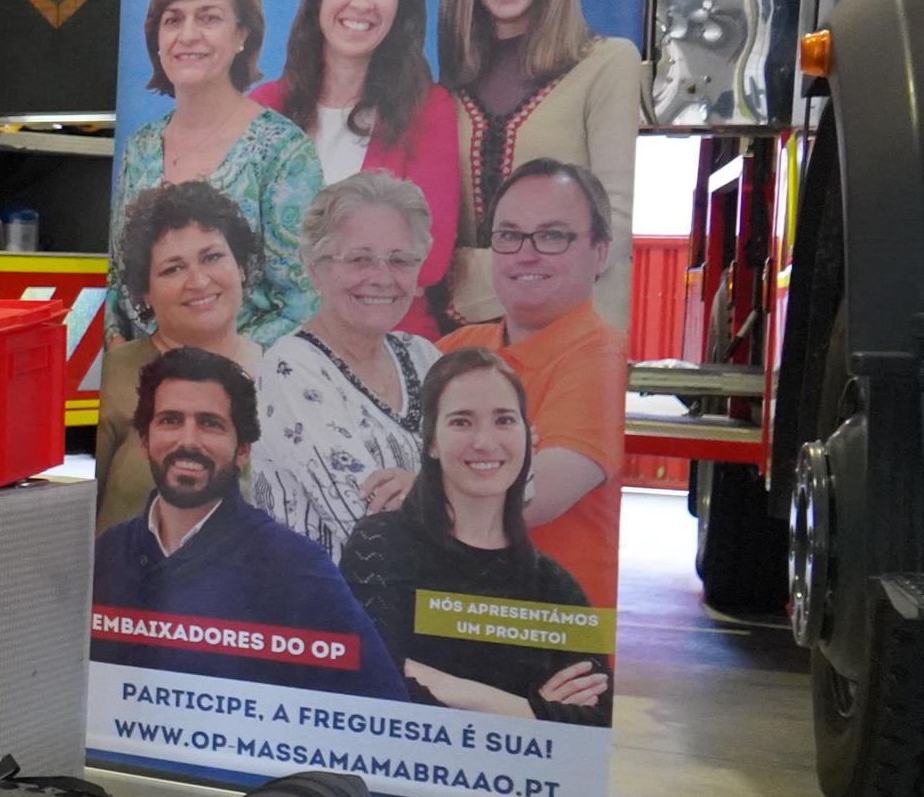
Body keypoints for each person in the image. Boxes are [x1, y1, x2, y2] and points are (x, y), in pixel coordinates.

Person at [91, 347, 408, 700]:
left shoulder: (296, 566)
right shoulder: (108, 551)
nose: (188, 440)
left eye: (210, 424)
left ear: (243, 450)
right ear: (146, 442)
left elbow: (381, 703)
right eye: (170, 420)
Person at [341, 349, 611, 724]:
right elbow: (370, 676)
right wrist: (532, 710)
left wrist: (442, 684)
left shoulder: (555, 587)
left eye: (503, 420)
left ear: (525, 435)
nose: (485, 441)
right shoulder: (380, 543)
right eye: (461, 422)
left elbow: (595, 721)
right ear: (431, 442)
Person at [414, 159, 625, 606]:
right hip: (451, 620)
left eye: (552, 235)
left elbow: (528, 499)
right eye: (509, 235)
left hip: (548, 638)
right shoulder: (453, 350)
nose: (526, 254)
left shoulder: (602, 360)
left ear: (601, 251)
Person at [437, 0, 640, 327]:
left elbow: (610, 237)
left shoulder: (609, 65)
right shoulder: (446, 91)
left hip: (572, 350)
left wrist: (464, 277)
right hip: (462, 358)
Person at [250, 0, 464, 335]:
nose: (363, 2)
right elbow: (241, 251)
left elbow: (429, 260)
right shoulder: (262, 110)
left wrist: (293, 265)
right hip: (275, 345)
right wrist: (372, 259)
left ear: (401, 7)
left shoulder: (429, 109)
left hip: (390, 343)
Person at [112, 0, 321, 345]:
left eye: (208, 17)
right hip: (142, 387)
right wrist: (122, 354)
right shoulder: (138, 147)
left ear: (242, 34)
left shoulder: (284, 151)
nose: (188, 34)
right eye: (173, 19)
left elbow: (302, 303)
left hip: (242, 389)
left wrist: (206, 367)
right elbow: (117, 282)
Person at [248, 173, 441, 557]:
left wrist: (421, 487)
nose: (382, 278)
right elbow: (372, 526)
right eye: (359, 259)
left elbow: (519, 482)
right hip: (322, 609)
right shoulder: (291, 368)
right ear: (316, 268)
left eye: (400, 260)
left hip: (423, 605)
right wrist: (456, 486)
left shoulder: (425, 357)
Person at [96, 182, 264, 534]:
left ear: (241, 268)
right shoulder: (110, 378)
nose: (199, 281)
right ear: (146, 293)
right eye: (173, 268)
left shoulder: (289, 374)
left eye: (212, 257)